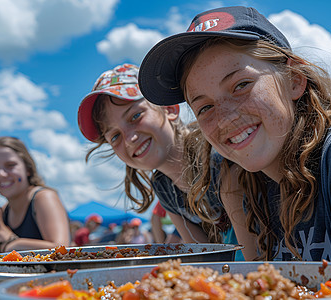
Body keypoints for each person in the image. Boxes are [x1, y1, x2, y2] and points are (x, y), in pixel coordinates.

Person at [138, 4, 331, 275]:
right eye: (204, 107)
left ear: (294, 80)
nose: (225, 117)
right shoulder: (255, 187)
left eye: (241, 84)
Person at [78, 64, 245, 258]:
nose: (130, 139)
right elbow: (201, 255)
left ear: (169, 109)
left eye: (136, 116)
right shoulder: (164, 186)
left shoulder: (216, 158)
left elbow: (249, 256)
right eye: (115, 136)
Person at [0, 136, 70, 253]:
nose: (1, 174)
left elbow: (62, 250)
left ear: (28, 169)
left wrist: (6, 237)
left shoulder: (43, 197)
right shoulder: (4, 211)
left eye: (10, 165)